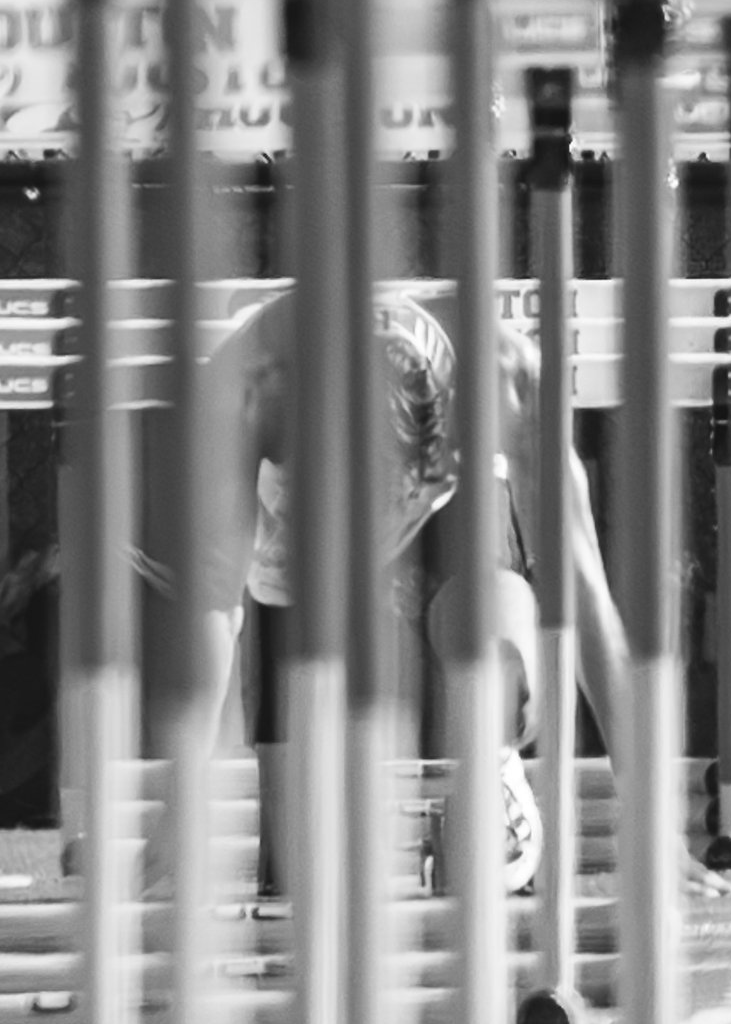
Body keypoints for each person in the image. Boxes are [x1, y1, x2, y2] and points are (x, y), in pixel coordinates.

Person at [137, 288, 652, 895]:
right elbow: (218, 616)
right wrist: (179, 810)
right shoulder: (244, 393)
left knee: (500, 648)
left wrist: (650, 824)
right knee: (298, 883)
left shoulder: (502, 377)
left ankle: (494, 760)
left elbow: (584, 592)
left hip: (449, 512)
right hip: (298, 551)